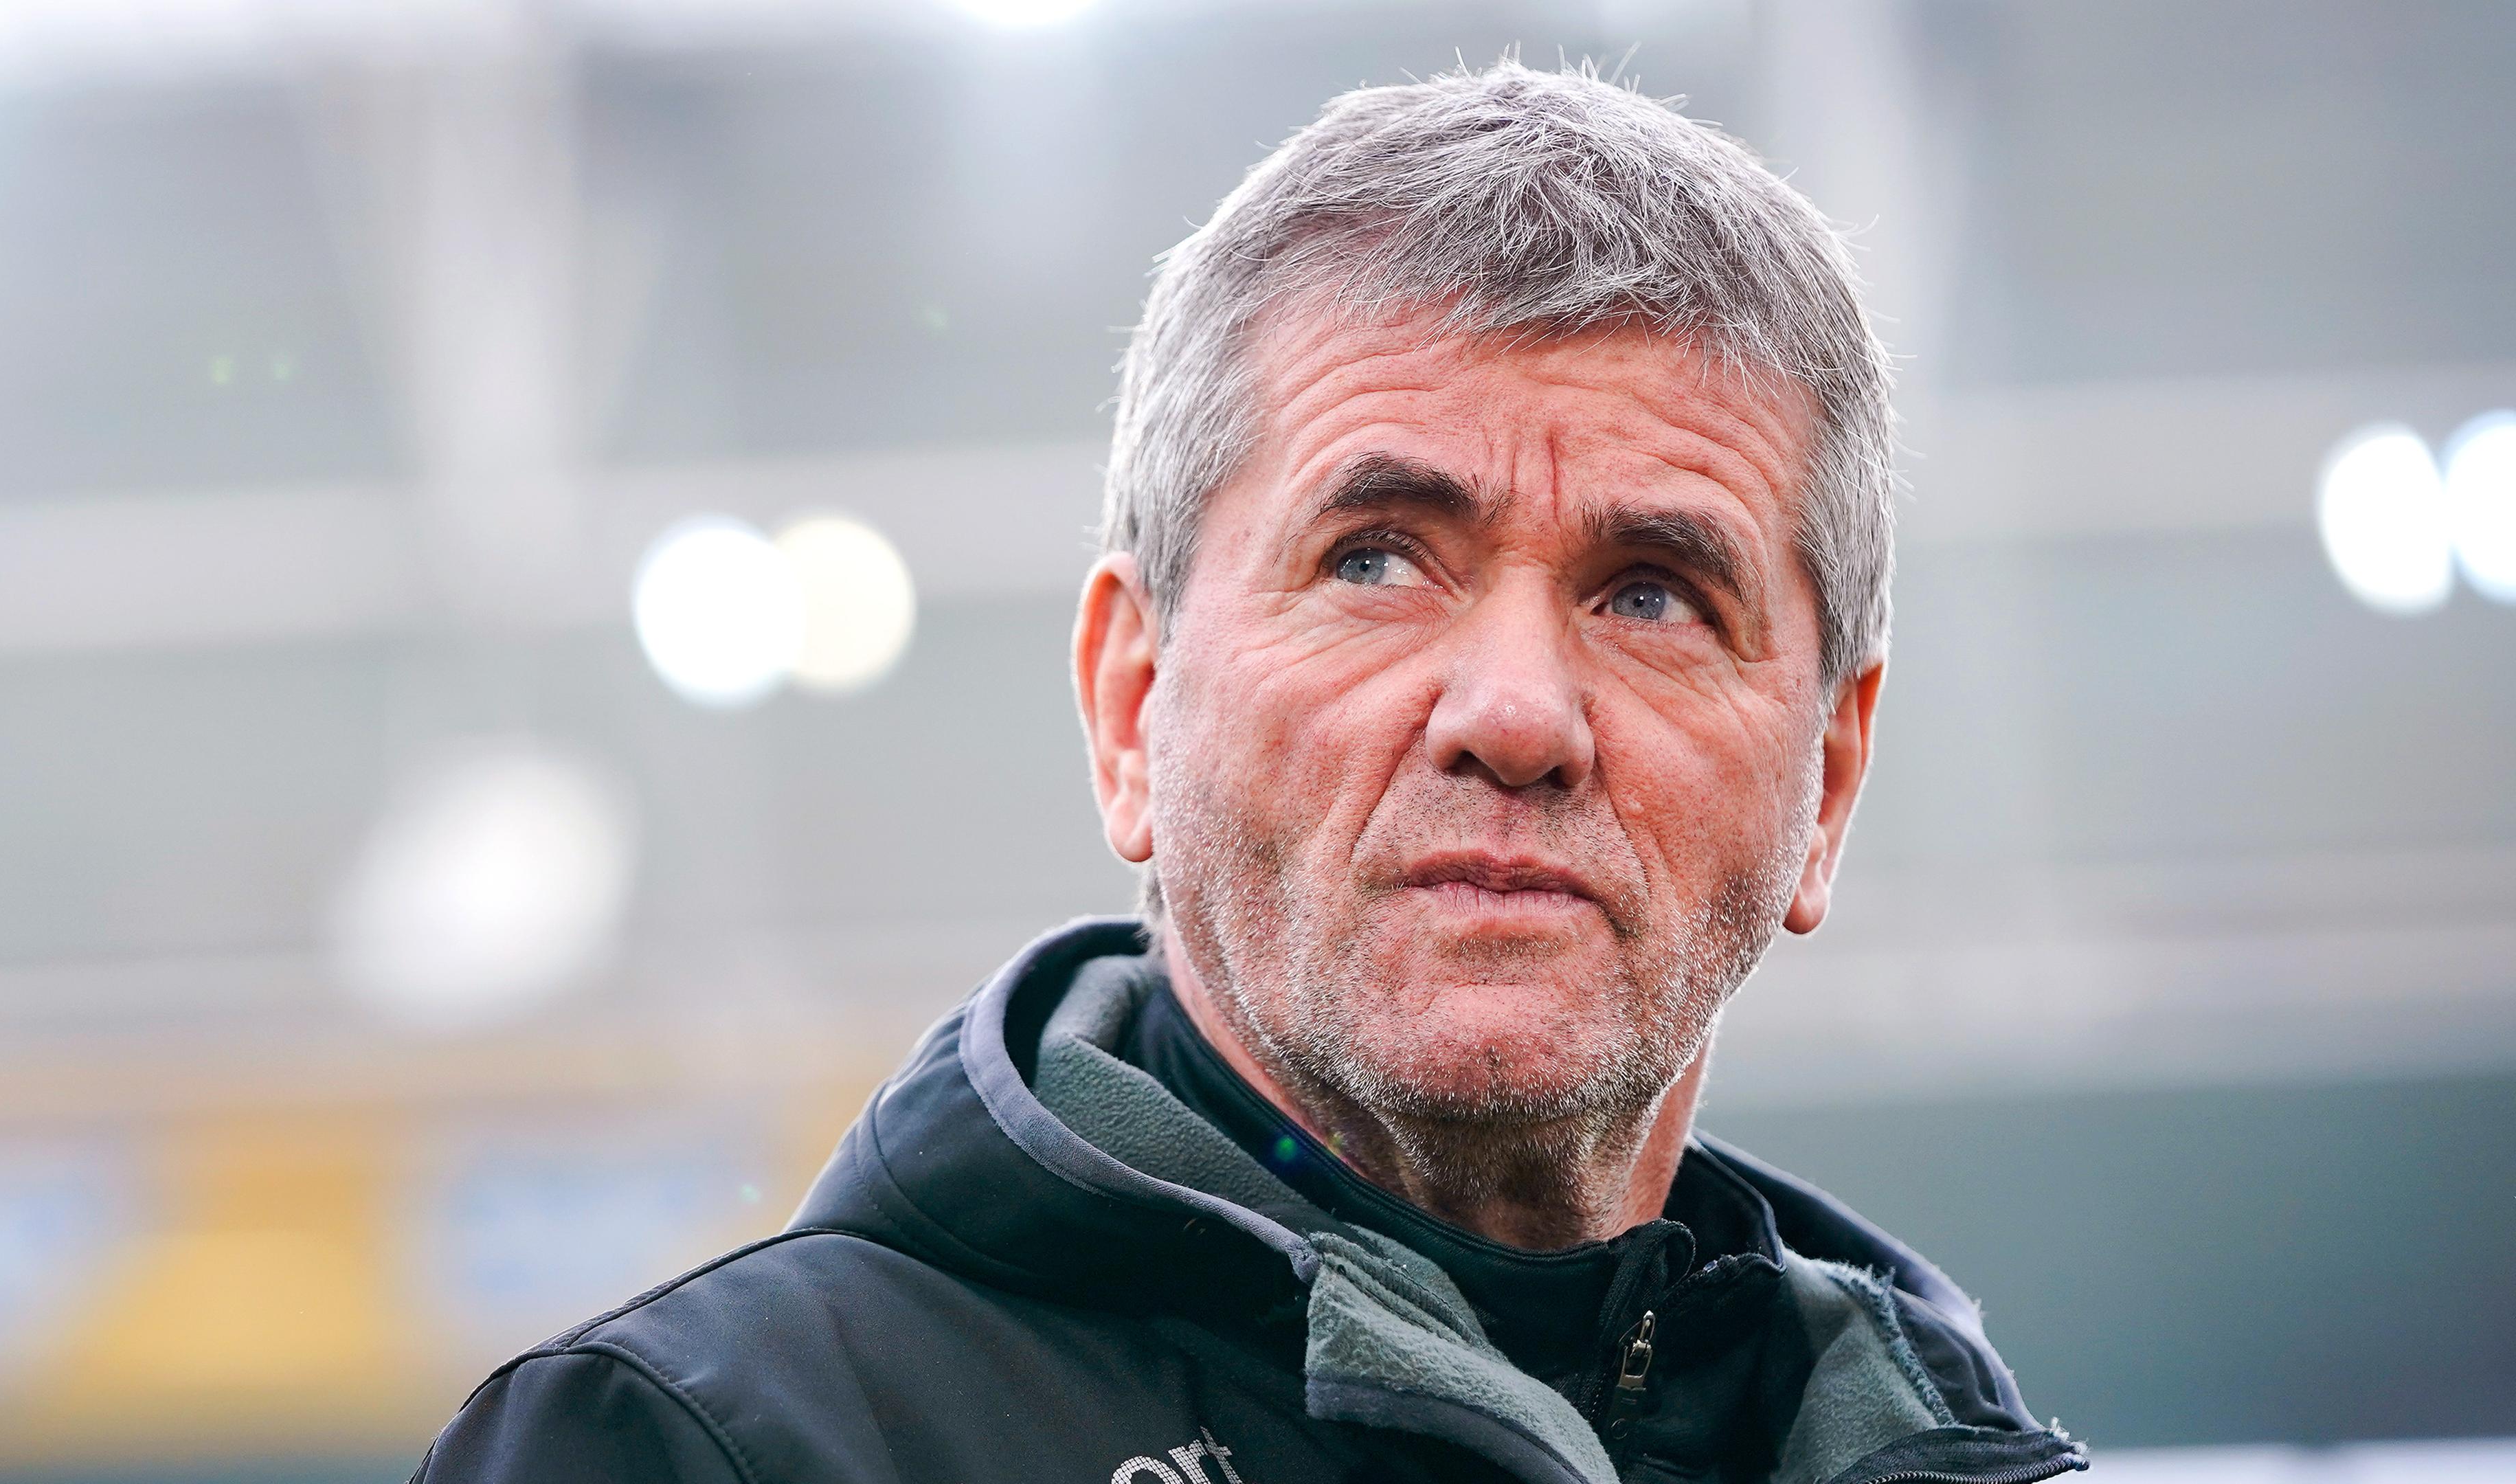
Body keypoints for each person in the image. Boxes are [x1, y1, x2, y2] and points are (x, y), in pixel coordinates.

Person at [414, 61, 2082, 1484]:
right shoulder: (699, 1449)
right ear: (1132, 703)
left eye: (1651, 595)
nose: (1515, 715)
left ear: (1828, 783)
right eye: (1376, 559)